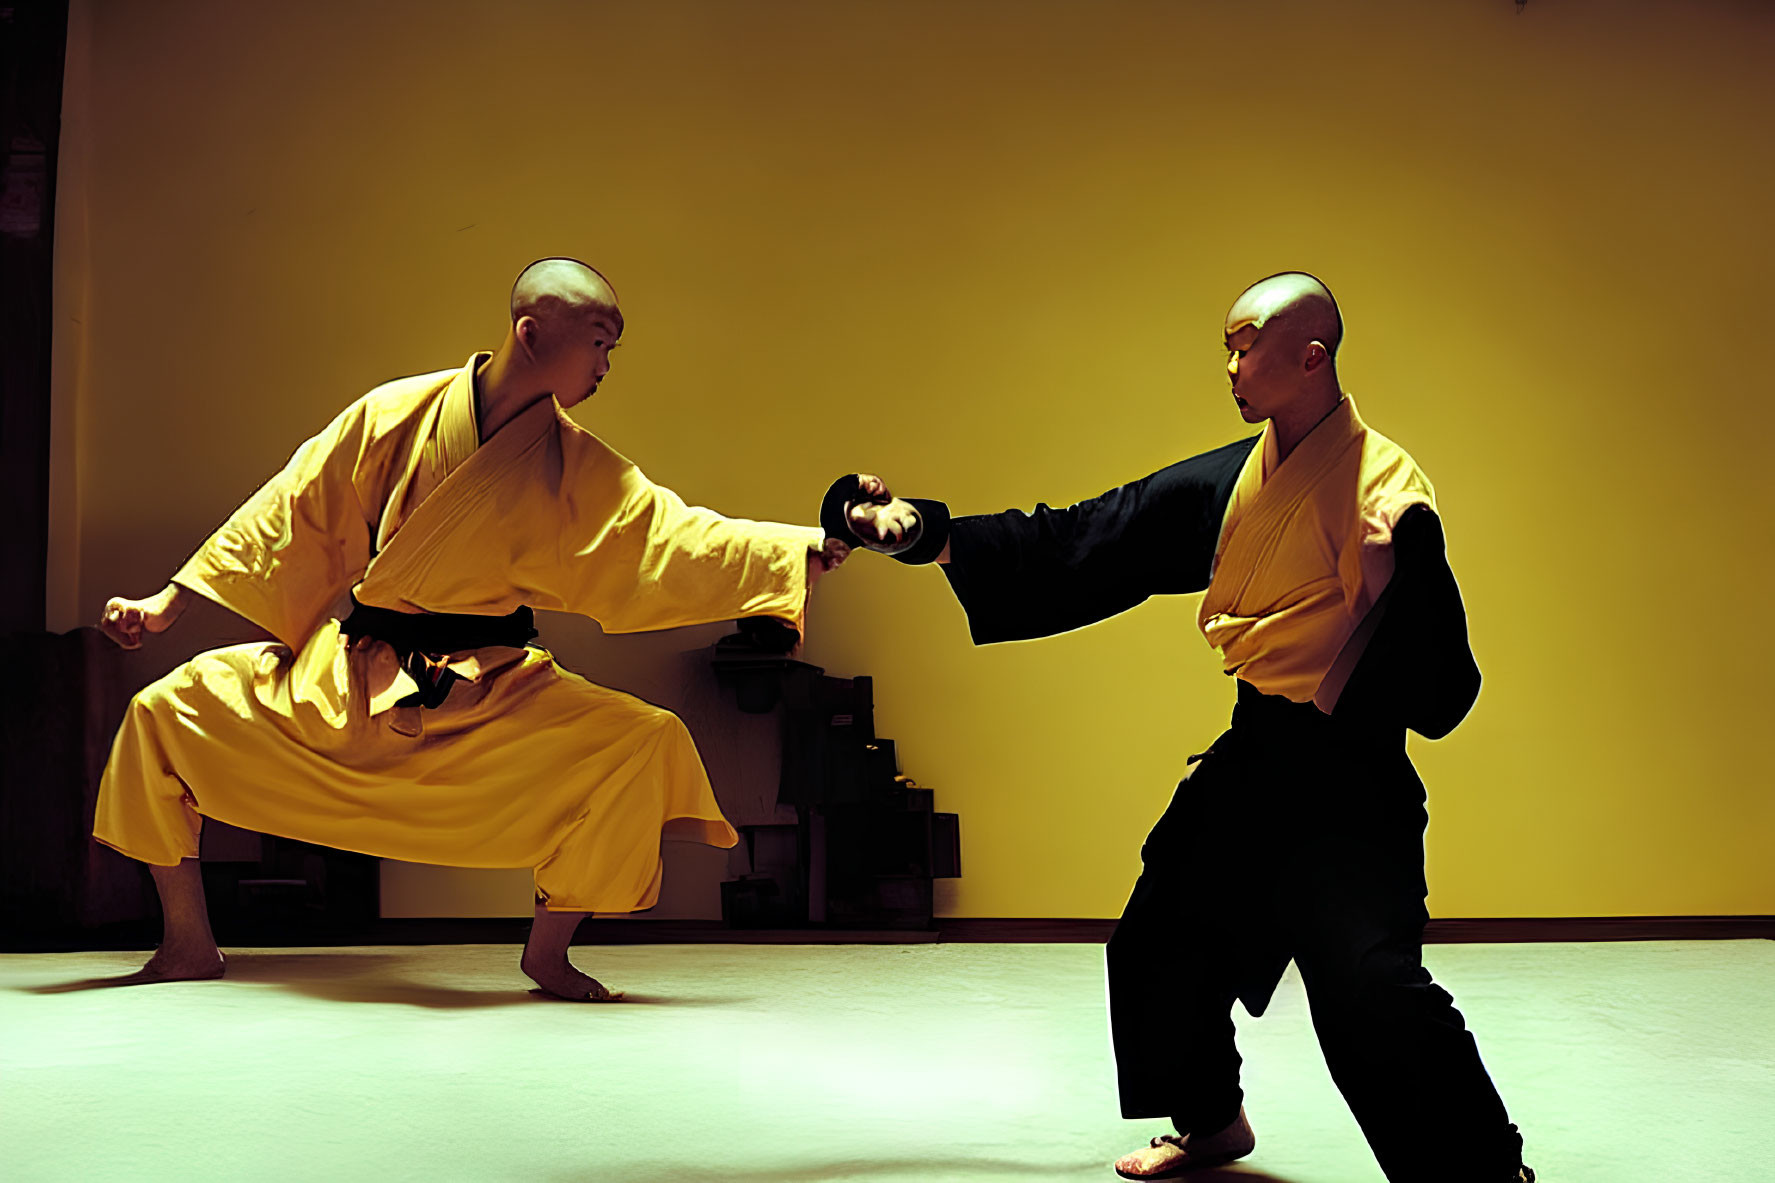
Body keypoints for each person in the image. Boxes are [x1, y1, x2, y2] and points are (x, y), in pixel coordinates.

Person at [826, 272, 1533, 1182]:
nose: (1230, 364)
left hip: (1350, 776)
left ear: (1310, 357)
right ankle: (1211, 1121)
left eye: (1245, 346)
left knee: (1365, 982)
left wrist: (1408, 567)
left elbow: (1441, 688)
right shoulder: (1238, 480)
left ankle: (1482, 1171)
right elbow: (1093, 535)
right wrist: (920, 530)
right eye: (1229, 346)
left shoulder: (1387, 495)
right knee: (1157, 939)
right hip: (1257, 752)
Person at [95, 257, 845, 1002]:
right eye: (597, 342)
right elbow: (291, 509)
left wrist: (801, 548)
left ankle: (545, 954)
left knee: (644, 743)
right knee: (165, 712)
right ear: (531, 332)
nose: (607, 365)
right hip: (354, 679)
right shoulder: (394, 415)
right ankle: (188, 940)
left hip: (488, 693)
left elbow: (670, 537)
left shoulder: (574, 464)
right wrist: (167, 603)